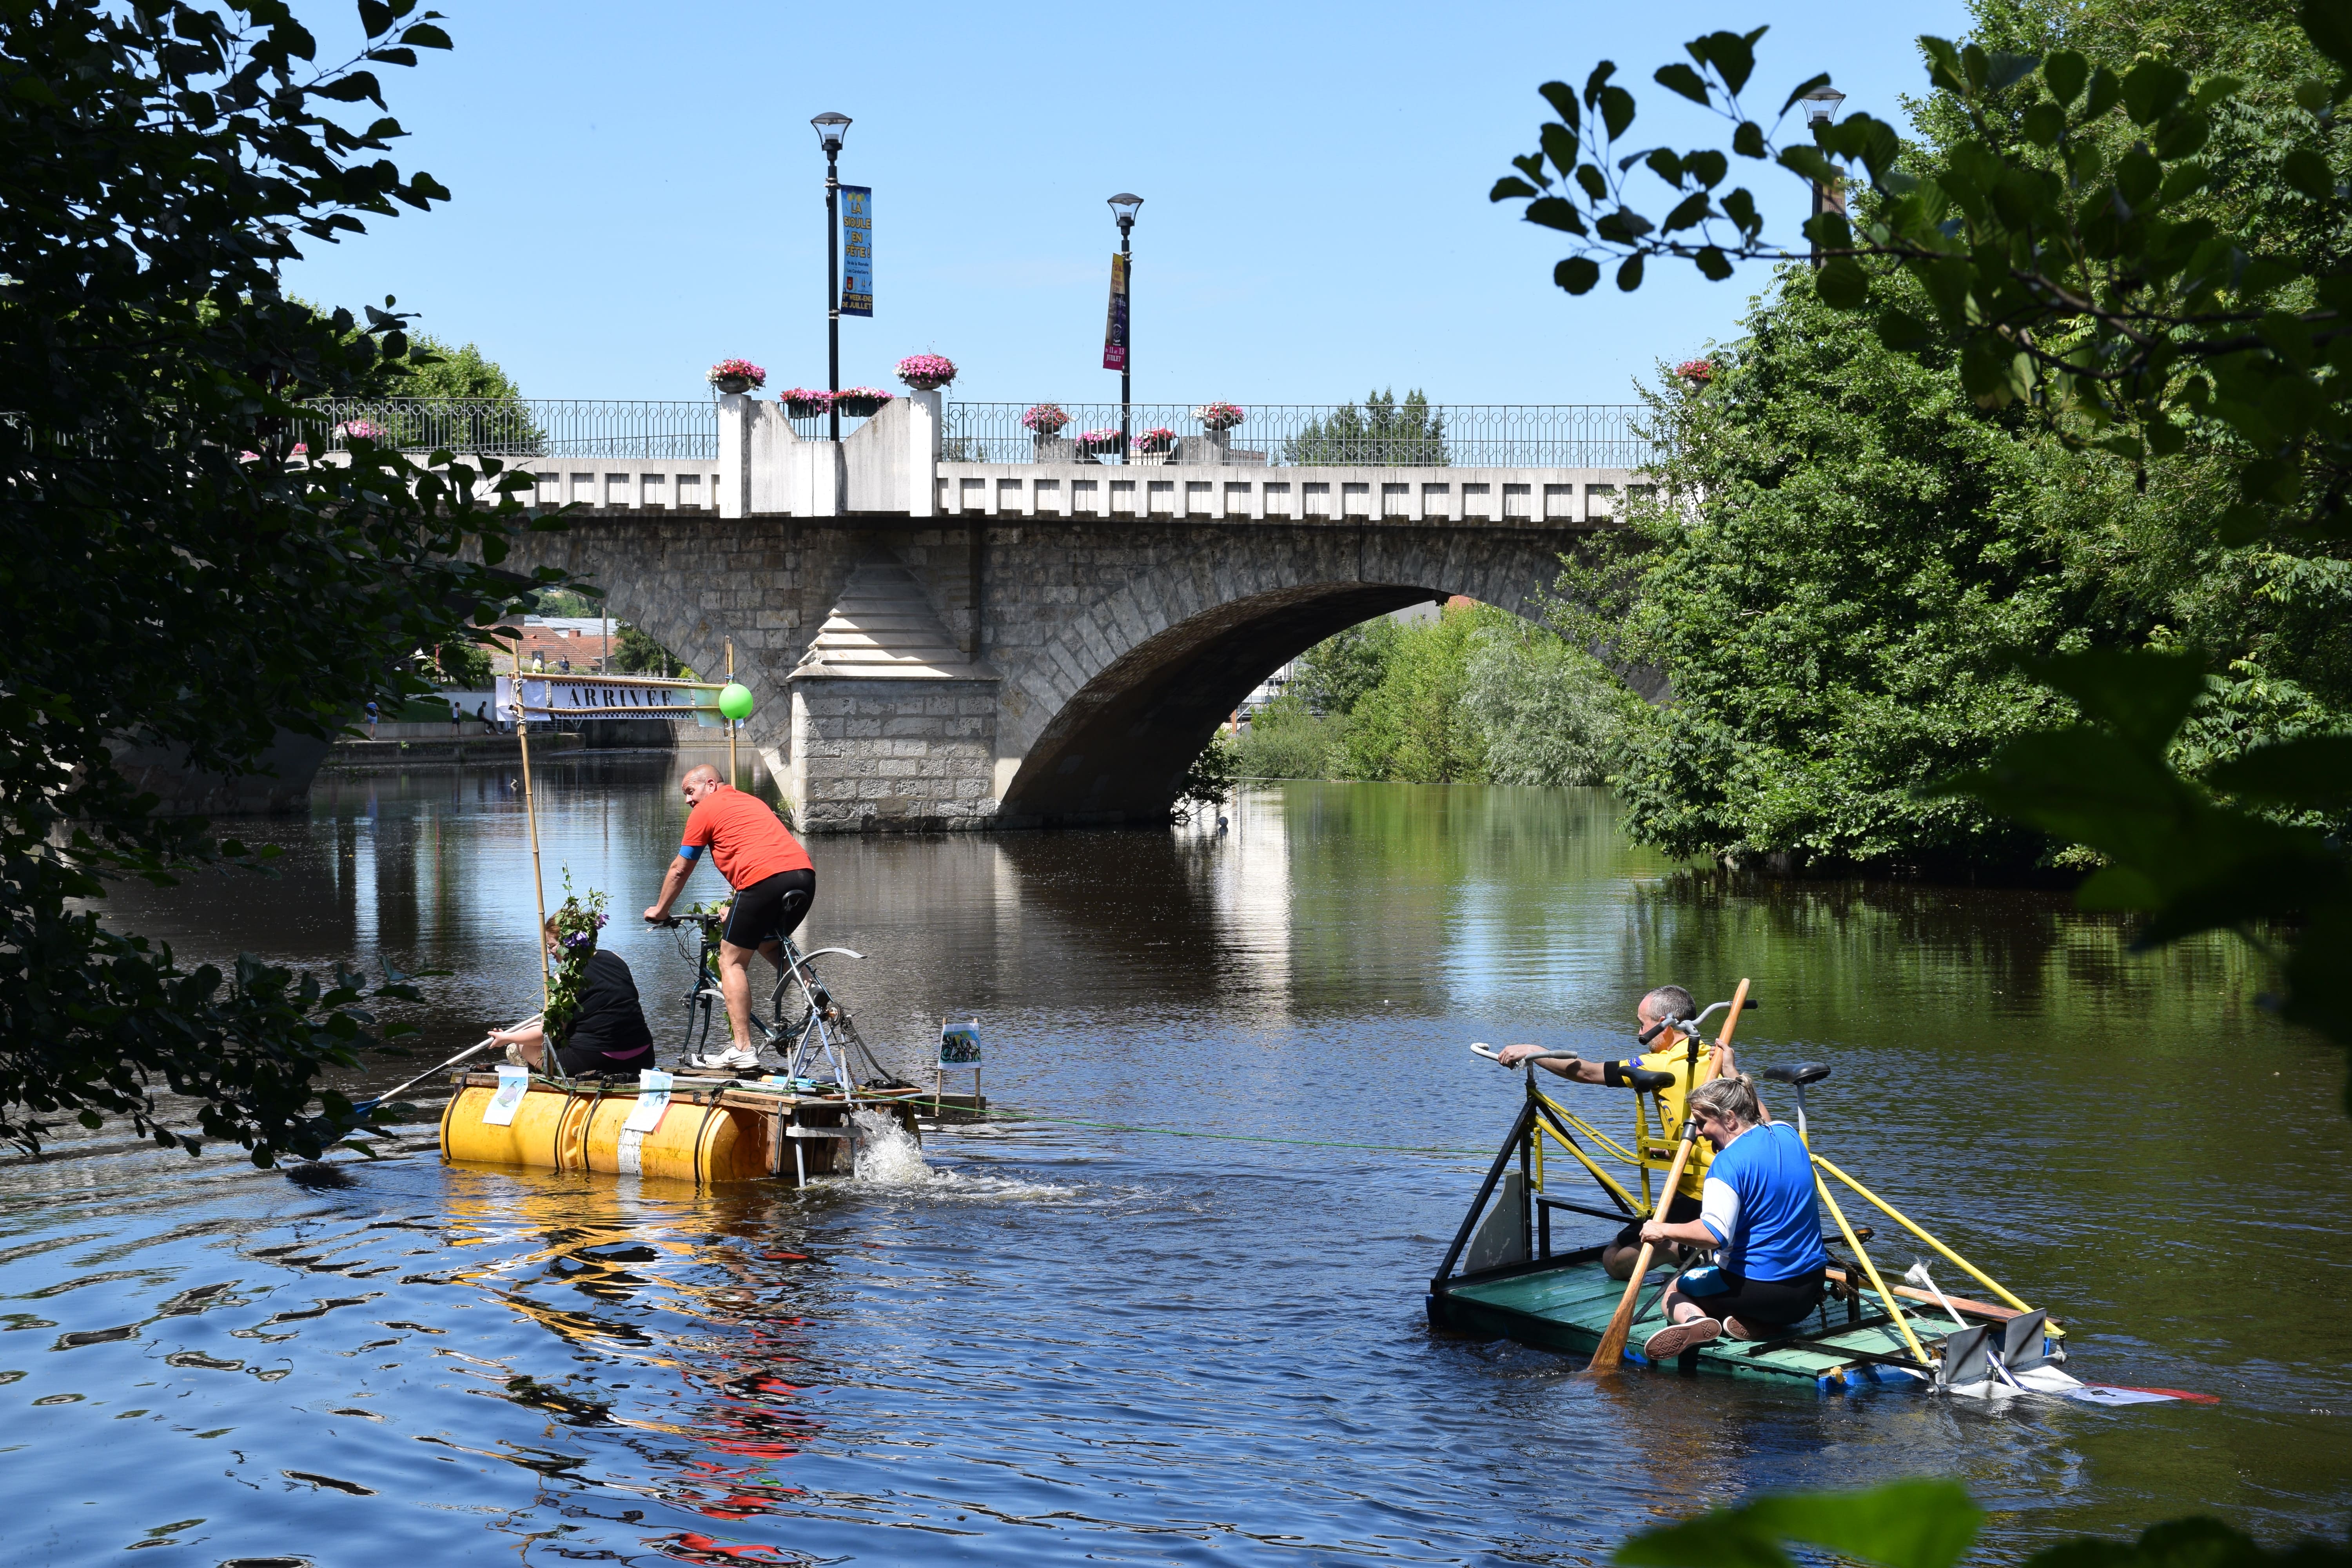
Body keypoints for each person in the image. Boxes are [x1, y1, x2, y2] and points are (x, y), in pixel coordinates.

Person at [1497, 984, 1739, 1279]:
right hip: (1733, 1183)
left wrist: (1535, 1051)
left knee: (1614, 1260)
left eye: (1643, 1024)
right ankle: (1698, 1250)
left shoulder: (1662, 1063)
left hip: (1699, 1192)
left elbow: (1587, 1072)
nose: (1640, 1033)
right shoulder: (1716, 1060)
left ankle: (1689, 1250)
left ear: (1665, 1024)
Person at [1635, 1074, 1828, 1359]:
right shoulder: (1788, 1134)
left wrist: (1662, 1230)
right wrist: (1732, 1068)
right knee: (1752, 1291)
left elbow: (1713, 1235)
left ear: (1730, 1119)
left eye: (1702, 1123)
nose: (1698, 1133)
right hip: (1809, 1292)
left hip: (1759, 1293)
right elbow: (1760, 1115)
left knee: (1676, 1288)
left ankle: (1696, 1322)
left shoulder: (1726, 1165)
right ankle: (1755, 1326)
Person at [644, 764, 816, 1071]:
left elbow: (680, 869)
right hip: (803, 876)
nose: (688, 801)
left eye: (690, 791)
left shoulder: (706, 810)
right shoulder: (751, 801)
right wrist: (737, 906)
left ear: (710, 785)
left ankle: (742, 1049)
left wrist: (661, 911)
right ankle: (815, 991)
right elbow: (759, 850)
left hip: (763, 882)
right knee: (770, 944)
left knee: (730, 961)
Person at [488, 917, 657, 1077]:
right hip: (643, 1056)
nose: (549, 951)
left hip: (598, 1060)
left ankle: (542, 1079)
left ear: (568, 944)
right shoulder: (615, 958)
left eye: (552, 945)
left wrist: (507, 1038)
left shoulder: (565, 977)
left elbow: (546, 1034)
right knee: (532, 1029)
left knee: (522, 1043)